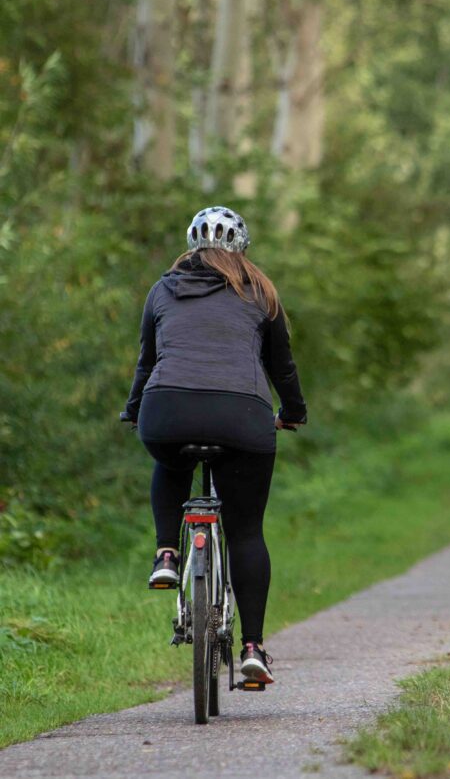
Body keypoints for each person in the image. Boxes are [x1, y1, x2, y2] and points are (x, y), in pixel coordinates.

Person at [123, 206, 307, 684]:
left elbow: (147, 362)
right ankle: (252, 648)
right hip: (242, 416)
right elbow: (281, 365)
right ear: (241, 248)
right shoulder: (260, 290)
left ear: (192, 244)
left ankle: (166, 552)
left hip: (165, 409)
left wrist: (132, 409)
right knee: (245, 532)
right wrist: (293, 413)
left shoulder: (163, 288)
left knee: (169, 454)